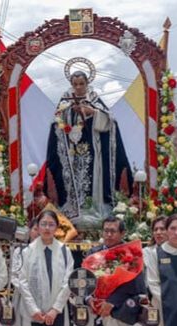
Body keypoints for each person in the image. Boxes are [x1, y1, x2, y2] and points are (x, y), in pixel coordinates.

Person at [44, 70, 133, 217]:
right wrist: (67, 114)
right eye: (75, 84)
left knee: (92, 181)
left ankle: (94, 209)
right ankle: (73, 210)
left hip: (93, 152)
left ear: (87, 83)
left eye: (81, 84)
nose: (78, 87)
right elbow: (56, 123)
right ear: (71, 85)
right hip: (71, 152)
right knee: (72, 182)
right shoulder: (65, 101)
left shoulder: (94, 99)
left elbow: (110, 122)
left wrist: (92, 112)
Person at [14, 210, 74, 326]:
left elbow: (68, 282)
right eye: (43, 224)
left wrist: (55, 309)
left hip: (57, 314)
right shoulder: (27, 252)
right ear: (37, 227)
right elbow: (22, 282)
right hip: (34, 315)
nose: (47, 228)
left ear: (57, 228)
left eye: (51, 224)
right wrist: (35, 310)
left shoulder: (64, 251)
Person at [84, 216, 144, 326]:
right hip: (95, 311)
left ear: (122, 233)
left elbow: (135, 285)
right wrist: (89, 299)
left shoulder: (130, 255)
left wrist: (112, 302)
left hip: (117, 312)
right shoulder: (93, 253)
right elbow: (83, 281)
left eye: (113, 231)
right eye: (106, 230)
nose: (108, 235)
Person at [129, 216, 170, 326]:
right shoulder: (146, 252)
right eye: (156, 229)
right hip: (152, 306)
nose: (159, 232)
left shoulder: (176, 251)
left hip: (173, 306)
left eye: (163, 228)